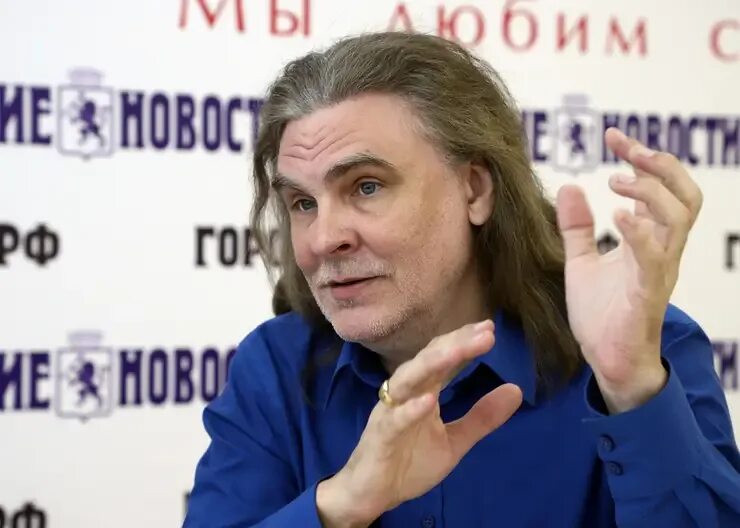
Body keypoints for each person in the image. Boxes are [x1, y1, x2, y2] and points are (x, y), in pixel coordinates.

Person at [184, 32, 740, 527]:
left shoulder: (645, 347)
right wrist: (342, 503)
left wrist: (631, 387)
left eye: (366, 186)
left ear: (474, 190)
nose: (323, 239)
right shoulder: (275, 369)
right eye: (303, 202)